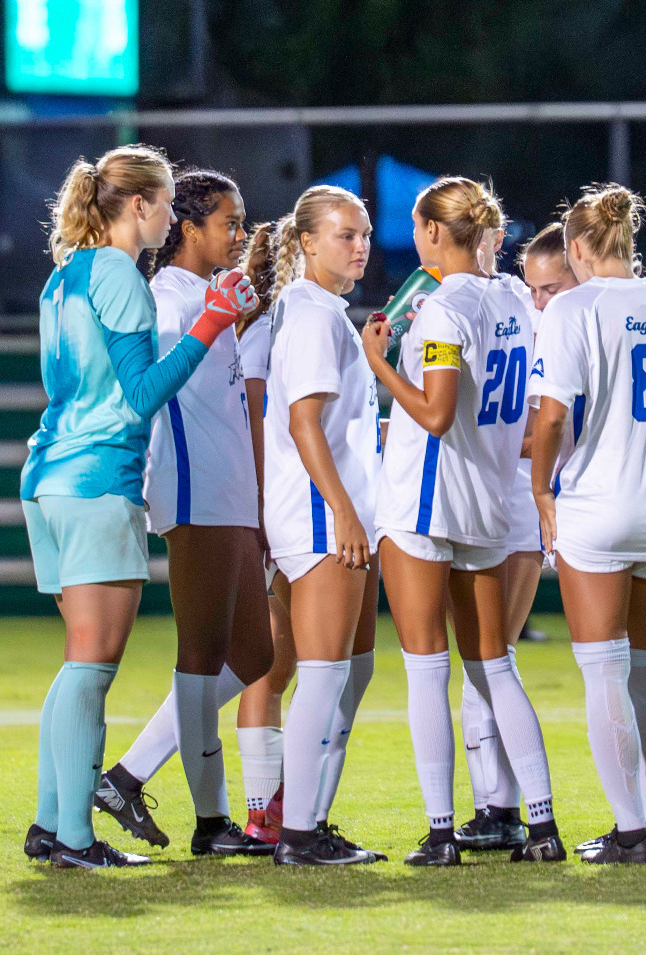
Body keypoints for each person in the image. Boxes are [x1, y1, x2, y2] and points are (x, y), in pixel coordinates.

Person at [19, 145, 256, 869]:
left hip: (49, 477)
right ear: (143, 206)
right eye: (162, 204)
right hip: (98, 478)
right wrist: (210, 324)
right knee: (92, 665)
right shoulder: (119, 272)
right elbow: (140, 394)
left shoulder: (65, 277)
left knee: (77, 663)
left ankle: (49, 823)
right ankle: (75, 837)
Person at [361, 177, 564, 866]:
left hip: (427, 499)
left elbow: (435, 412)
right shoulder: (513, 297)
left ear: (431, 233)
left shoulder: (444, 308)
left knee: (427, 669)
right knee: (494, 666)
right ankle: (541, 826)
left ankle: (442, 832)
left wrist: (379, 365)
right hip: (486, 500)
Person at [527, 184, 646, 865]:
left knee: (602, 672)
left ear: (576, 248)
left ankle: (632, 827)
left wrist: (543, 490)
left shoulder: (571, 309)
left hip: (595, 509)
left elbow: (550, 417)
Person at [90, 170, 273, 858]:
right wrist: (217, 317)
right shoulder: (168, 297)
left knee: (257, 654)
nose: (239, 232)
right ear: (189, 228)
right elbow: (158, 379)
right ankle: (212, 822)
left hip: (231, 495)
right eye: (228, 221)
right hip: (193, 495)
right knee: (199, 659)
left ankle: (129, 775)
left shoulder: (209, 292)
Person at [260, 185, 388, 866]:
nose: (360, 244)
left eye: (364, 232)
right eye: (345, 233)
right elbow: (303, 422)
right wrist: (340, 508)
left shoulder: (322, 312)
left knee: (351, 672)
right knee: (324, 673)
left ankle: (311, 821)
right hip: (319, 514)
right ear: (306, 241)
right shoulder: (310, 313)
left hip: (339, 509)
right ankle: (299, 833)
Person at [456, 223, 571, 851]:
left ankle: (515, 810)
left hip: (525, 500)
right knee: (487, 656)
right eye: (535, 288)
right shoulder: (517, 313)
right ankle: (494, 807)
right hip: (508, 495)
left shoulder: (567, 329)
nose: (540, 300)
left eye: (552, 287)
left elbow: (543, 430)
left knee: (490, 656)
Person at [230, 222, 295, 848]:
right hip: (274, 510)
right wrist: (259, 509)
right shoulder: (268, 329)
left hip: (284, 507)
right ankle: (261, 812)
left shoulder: (288, 322)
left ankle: (272, 809)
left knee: (280, 662)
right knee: (263, 667)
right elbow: (254, 419)